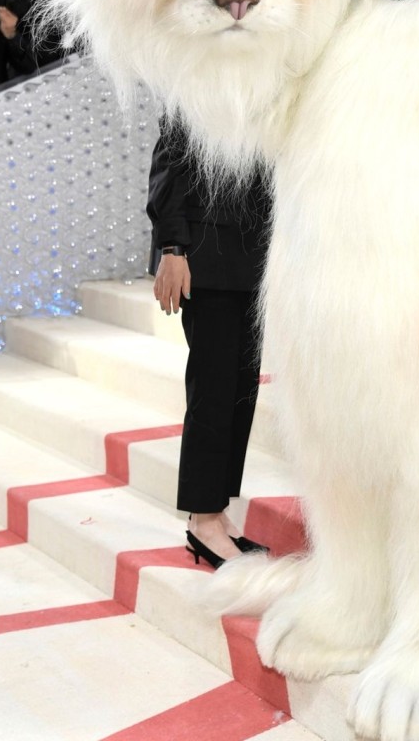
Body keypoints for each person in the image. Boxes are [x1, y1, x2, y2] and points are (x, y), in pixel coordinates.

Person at [148, 117, 271, 566]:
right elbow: (170, 164)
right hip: (204, 253)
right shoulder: (197, 78)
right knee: (213, 390)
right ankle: (203, 521)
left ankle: (217, 513)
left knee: (241, 391)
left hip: (254, 252)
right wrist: (172, 249)